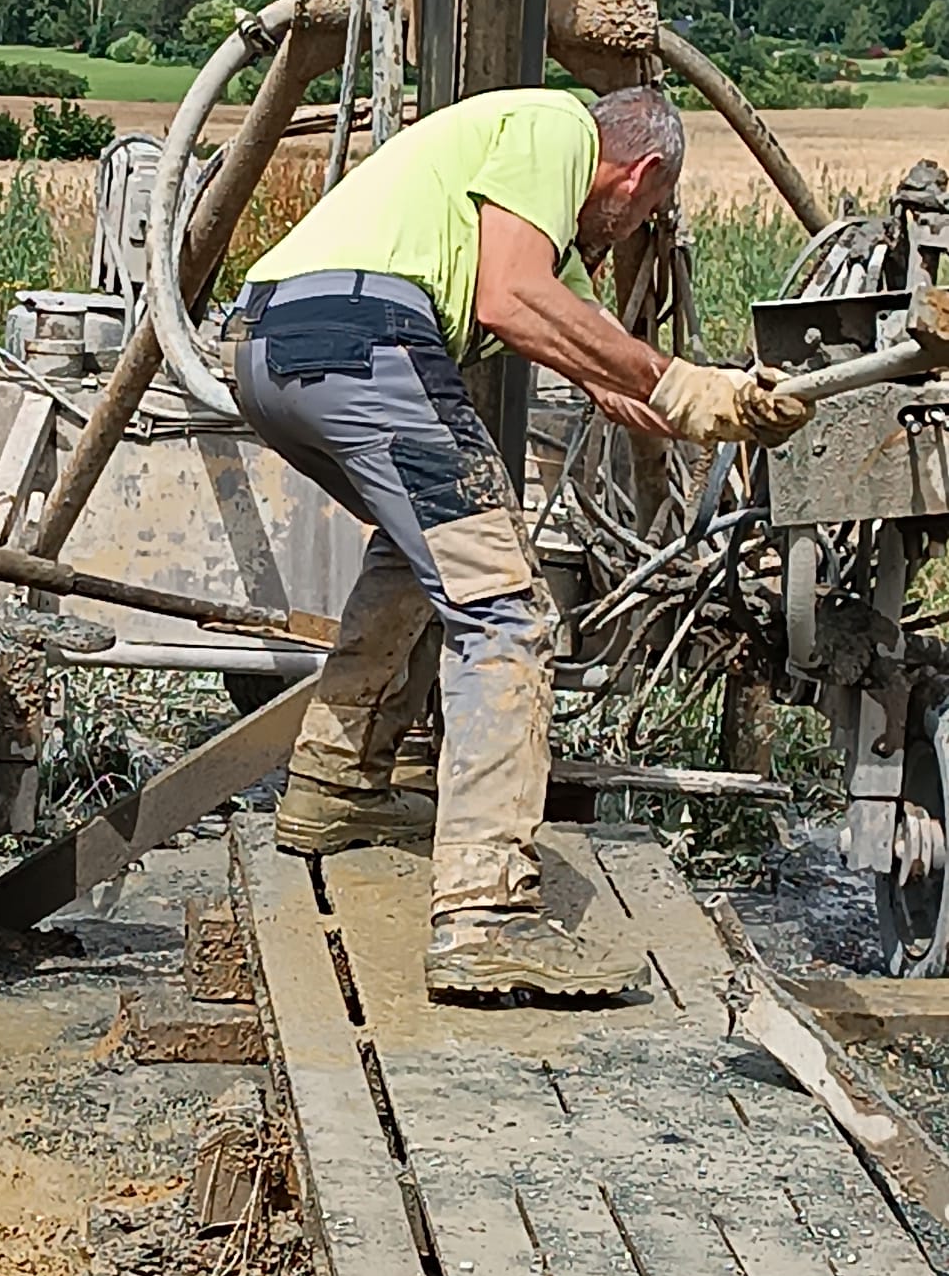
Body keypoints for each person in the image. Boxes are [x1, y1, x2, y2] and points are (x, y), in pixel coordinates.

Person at [225, 84, 812, 1001]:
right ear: (641, 171)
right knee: (506, 609)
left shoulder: (511, 191)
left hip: (273, 347)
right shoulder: (556, 130)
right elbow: (510, 298)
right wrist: (681, 381)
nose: (624, 236)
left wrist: (727, 402)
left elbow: (611, 372)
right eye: (643, 216)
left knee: (429, 553)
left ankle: (333, 788)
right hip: (365, 340)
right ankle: (484, 919)